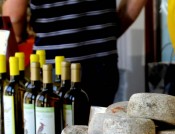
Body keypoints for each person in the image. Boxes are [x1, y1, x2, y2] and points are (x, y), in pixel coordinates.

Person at [2, 0, 147, 109]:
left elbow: (14, 15)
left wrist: (19, 37)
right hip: (101, 60)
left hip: (53, 66)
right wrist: (108, 33)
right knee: (98, 132)